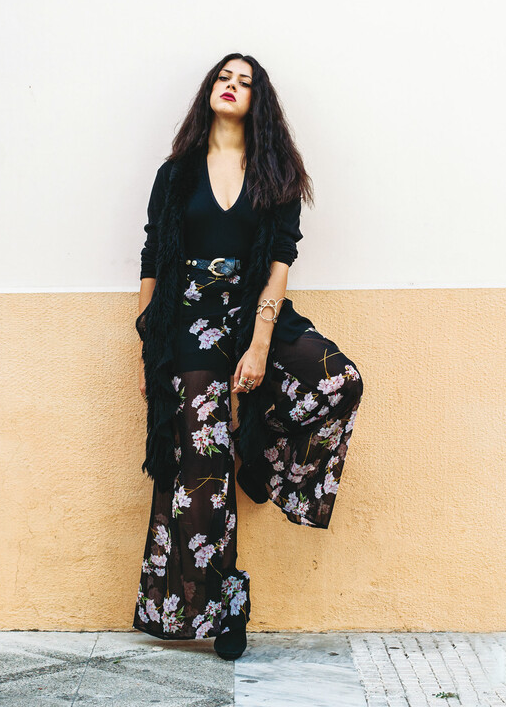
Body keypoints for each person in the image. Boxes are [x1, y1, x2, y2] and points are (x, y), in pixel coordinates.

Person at [132, 53, 364, 660]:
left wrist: (260, 344)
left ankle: (259, 460)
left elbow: (281, 260)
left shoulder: (276, 173)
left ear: (259, 101)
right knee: (201, 470)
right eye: (224, 78)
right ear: (209, 91)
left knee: (339, 380)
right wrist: (149, 351)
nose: (232, 86)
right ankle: (226, 601)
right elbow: (153, 258)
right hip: (187, 320)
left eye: (245, 82)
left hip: (253, 311)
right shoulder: (174, 175)